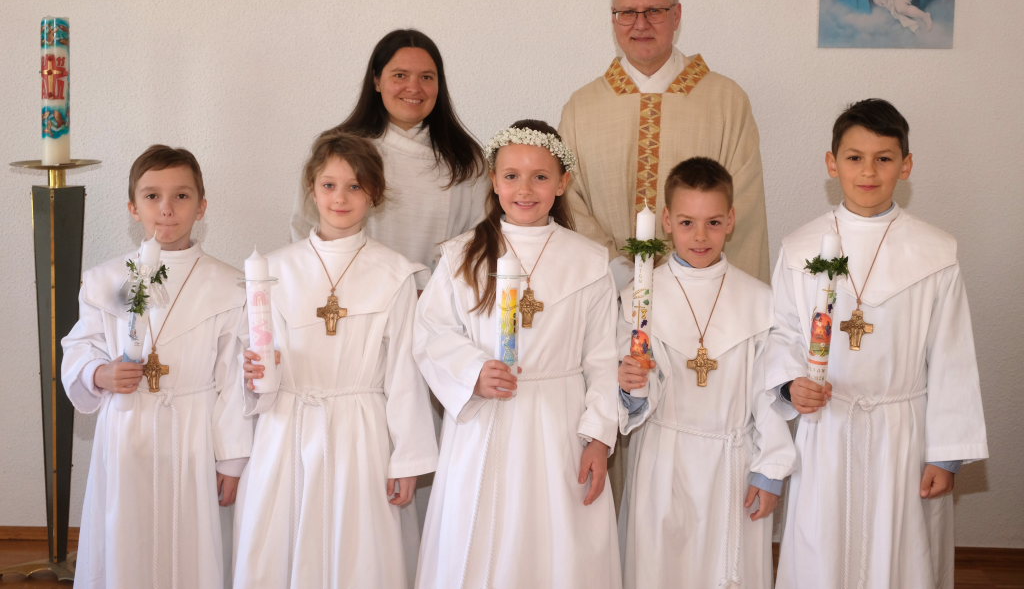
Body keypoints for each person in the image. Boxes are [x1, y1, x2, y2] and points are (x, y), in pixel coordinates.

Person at [765, 99, 988, 588]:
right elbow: (782, 333)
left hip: (903, 433)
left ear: (906, 166)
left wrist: (945, 454)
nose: (868, 171)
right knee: (822, 551)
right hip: (827, 425)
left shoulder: (935, 252)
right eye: (854, 157)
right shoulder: (799, 248)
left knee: (903, 555)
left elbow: (951, 356)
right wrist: (790, 385)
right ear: (832, 163)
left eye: (884, 158)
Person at [413, 121, 621, 589]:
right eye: (511, 176)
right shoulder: (462, 256)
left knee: (555, 546)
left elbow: (603, 358)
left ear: (562, 183)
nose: (524, 189)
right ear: (494, 180)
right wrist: (473, 372)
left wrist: (598, 437)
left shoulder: (588, 261)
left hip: (559, 424)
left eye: (540, 177)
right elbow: (430, 334)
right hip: (485, 419)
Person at [233, 133, 438, 588]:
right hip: (288, 426)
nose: (340, 198)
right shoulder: (274, 270)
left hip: (361, 432)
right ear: (312, 189)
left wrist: (407, 459)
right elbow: (255, 357)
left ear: (375, 193)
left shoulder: (395, 273)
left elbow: (405, 373)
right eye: (329, 185)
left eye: (354, 186)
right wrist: (258, 373)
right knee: (281, 542)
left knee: (359, 551)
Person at [61, 145, 252, 589]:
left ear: (201, 207)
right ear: (133, 208)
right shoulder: (106, 280)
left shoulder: (229, 285)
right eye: (152, 196)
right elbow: (81, 346)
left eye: (181, 196)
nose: (167, 209)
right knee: (125, 540)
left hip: (194, 433)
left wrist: (232, 460)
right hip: (127, 430)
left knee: (190, 545)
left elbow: (233, 381)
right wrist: (100, 373)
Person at [617, 157, 795, 589]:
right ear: (666, 221)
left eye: (713, 222)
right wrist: (631, 386)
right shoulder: (639, 297)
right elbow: (632, 391)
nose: (700, 236)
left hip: (733, 464)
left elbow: (767, 393)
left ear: (731, 220)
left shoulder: (759, 300)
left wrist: (771, 469)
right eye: (687, 222)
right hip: (663, 459)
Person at [558, 0, 770, 288]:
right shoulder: (581, 108)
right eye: (627, 12)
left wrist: (695, 271)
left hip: (702, 288)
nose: (640, 24)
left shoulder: (726, 101)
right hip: (609, 288)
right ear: (613, 18)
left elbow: (743, 203)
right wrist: (616, 269)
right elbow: (568, 200)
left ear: (677, 15)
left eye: (654, 10)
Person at [290, 28, 487, 290]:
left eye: (426, 77)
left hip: (435, 298)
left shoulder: (465, 160)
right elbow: (305, 230)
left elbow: (479, 239)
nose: (414, 87)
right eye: (400, 75)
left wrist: (435, 293)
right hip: (351, 296)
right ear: (376, 81)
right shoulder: (337, 152)